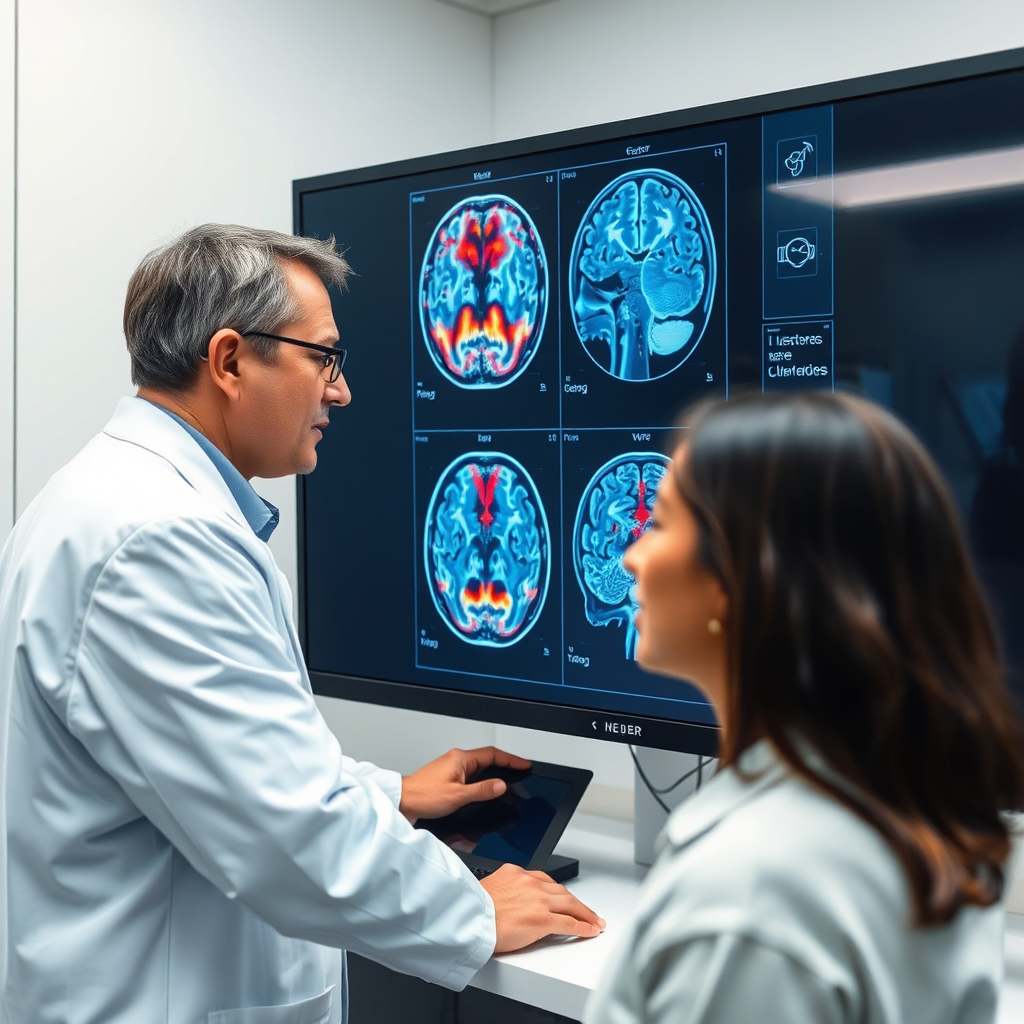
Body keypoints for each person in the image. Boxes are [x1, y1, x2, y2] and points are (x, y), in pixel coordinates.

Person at [0, 224, 603, 1024]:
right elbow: (284, 835)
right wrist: (471, 913)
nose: (341, 391)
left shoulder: (108, 499)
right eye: (324, 357)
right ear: (230, 360)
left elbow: (223, 766)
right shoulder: (160, 538)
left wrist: (389, 792)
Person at [588, 391, 1024, 1024]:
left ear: (744, 572)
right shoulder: (919, 817)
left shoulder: (749, 898)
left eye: (659, 525)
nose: (631, 555)